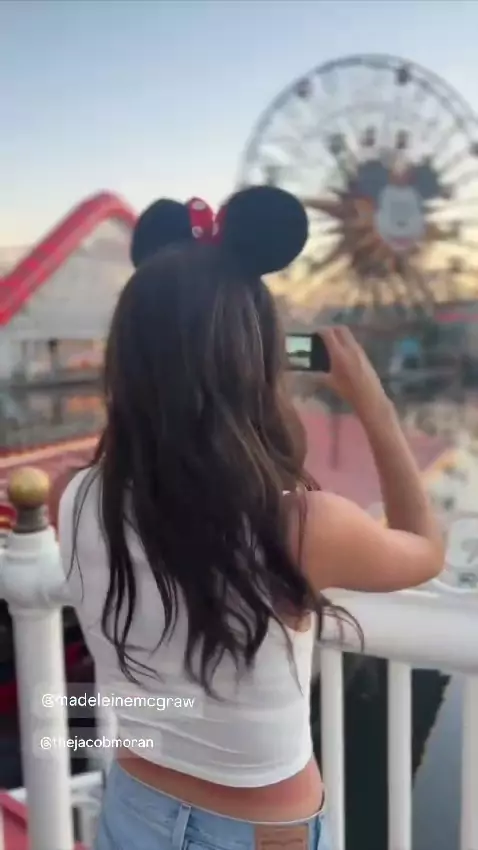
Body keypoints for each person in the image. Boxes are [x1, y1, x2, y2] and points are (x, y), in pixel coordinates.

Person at [58, 186, 444, 850]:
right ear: (258, 363)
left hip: (135, 806)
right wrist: (375, 406)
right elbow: (423, 549)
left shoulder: (73, 497)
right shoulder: (302, 526)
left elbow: (145, 468)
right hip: (259, 831)